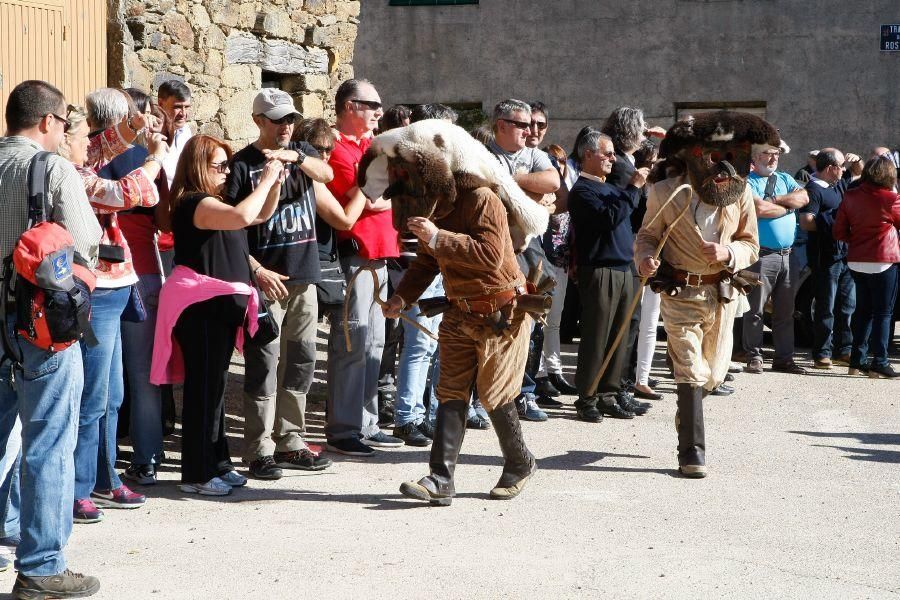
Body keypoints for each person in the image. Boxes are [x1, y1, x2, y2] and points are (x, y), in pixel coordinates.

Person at [362, 119, 548, 505]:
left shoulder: (482, 200)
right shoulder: (436, 205)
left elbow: (490, 255)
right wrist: (401, 298)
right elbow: (425, 263)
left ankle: (519, 462)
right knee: (450, 393)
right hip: (459, 313)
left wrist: (436, 235)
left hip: (502, 315)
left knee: (495, 395)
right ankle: (440, 479)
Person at [0, 79, 102, 598]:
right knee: (49, 442)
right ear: (46, 121)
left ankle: (5, 532)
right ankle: (41, 566)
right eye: (64, 121)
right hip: (38, 325)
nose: (66, 131)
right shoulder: (52, 167)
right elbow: (86, 237)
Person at [635, 111, 769, 478]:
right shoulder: (666, 191)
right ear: (694, 156)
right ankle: (691, 453)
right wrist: (646, 258)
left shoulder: (739, 193)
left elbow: (751, 245)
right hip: (680, 292)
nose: (721, 165)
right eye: (711, 157)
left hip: (722, 294)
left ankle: (687, 408)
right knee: (690, 369)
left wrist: (729, 253)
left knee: (713, 373)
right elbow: (647, 235)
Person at [151, 135, 284, 496]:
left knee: (216, 388)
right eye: (219, 166)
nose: (226, 172)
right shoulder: (195, 202)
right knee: (203, 390)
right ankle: (197, 472)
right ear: (198, 167)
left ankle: (218, 462)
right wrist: (268, 179)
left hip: (219, 308)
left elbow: (257, 215)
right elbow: (243, 214)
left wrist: (273, 186)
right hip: (202, 309)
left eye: (227, 165)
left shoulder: (214, 202)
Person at [225, 89, 341, 479]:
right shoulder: (241, 165)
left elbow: (329, 174)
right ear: (258, 121)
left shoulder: (303, 154)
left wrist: (298, 156)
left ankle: (291, 441)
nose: (286, 126)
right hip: (265, 281)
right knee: (263, 364)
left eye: (290, 119)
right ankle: (258, 449)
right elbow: (232, 230)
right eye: (278, 120)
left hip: (304, 277)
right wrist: (256, 270)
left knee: (302, 362)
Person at [61, 101, 165, 522]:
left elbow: (105, 147)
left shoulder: (81, 162)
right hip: (100, 291)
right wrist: (155, 157)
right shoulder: (71, 177)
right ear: (64, 137)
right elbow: (129, 193)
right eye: (83, 137)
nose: (92, 144)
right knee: (93, 399)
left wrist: (136, 123)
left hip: (118, 286)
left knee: (113, 396)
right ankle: (80, 487)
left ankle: (104, 478)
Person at [324, 79, 403, 456]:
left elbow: (383, 196)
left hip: (380, 253)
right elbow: (366, 201)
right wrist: (392, 199)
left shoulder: (371, 148)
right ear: (350, 106)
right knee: (352, 342)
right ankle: (343, 428)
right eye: (372, 104)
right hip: (356, 255)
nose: (379, 111)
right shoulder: (337, 149)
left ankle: (366, 423)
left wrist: (387, 197)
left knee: (375, 342)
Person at [569, 132, 651, 422]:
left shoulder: (612, 189)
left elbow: (632, 219)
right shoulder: (582, 191)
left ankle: (609, 393)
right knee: (597, 335)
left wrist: (639, 192)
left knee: (622, 335)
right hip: (600, 269)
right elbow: (608, 219)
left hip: (624, 267)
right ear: (588, 155)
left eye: (613, 154)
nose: (612, 159)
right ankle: (587, 397)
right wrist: (632, 190)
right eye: (607, 154)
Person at [486, 98, 559, 422]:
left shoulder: (534, 155)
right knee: (494, 323)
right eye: (521, 124)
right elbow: (487, 192)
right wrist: (530, 195)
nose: (530, 131)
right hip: (494, 251)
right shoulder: (485, 154)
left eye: (533, 124)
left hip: (529, 250)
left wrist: (509, 182)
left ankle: (525, 394)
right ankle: (489, 395)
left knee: (534, 323)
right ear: (501, 125)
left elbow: (552, 183)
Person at [741, 144, 809, 375]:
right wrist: (787, 208)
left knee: (785, 312)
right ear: (755, 157)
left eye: (776, 154)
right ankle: (754, 356)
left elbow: (803, 197)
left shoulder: (785, 178)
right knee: (754, 311)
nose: (773, 159)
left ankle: (784, 359)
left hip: (788, 256)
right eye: (767, 154)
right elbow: (759, 208)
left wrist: (777, 199)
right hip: (760, 255)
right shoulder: (747, 182)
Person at [833, 156, 900, 378]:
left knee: (862, 312)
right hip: (883, 260)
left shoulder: (850, 195)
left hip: (856, 259)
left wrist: (858, 239)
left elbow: (839, 231)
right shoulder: (891, 198)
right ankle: (879, 361)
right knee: (883, 313)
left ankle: (856, 361)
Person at [799, 148, 862, 369]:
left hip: (845, 255)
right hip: (825, 257)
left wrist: (857, 161)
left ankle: (843, 350)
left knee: (847, 305)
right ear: (830, 168)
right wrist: (835, 224)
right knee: (826, 306)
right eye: (841, 166)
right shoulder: (814, 190)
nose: (844, 170)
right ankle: (822, 353)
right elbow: (806, 221)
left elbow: (859, 174)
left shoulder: (837, 185)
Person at [157, 80, 193, 188]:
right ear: (160, 103)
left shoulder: (186, 130)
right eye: (177, 107)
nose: (183, 114)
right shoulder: (151, 134)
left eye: (186, 107)